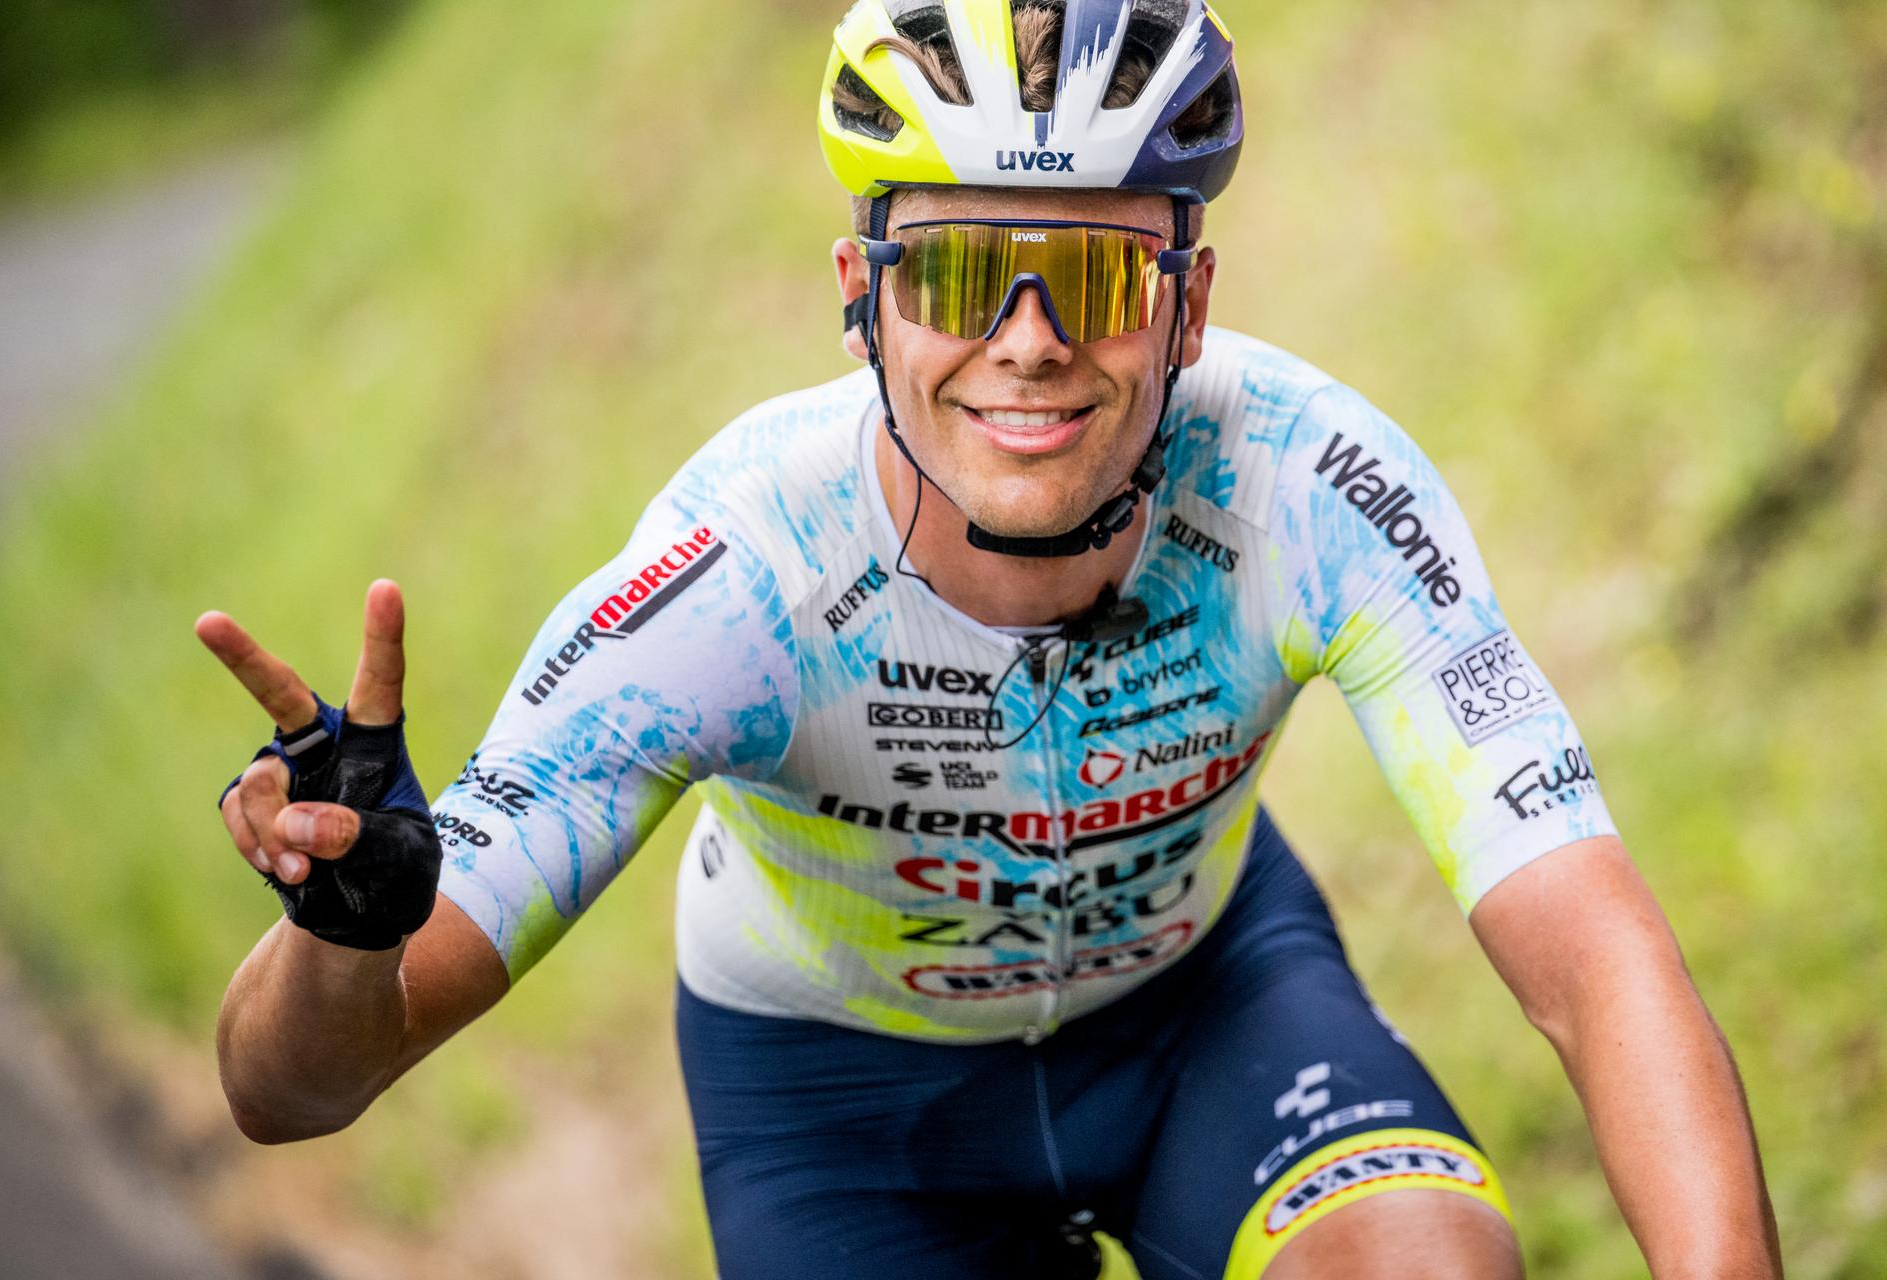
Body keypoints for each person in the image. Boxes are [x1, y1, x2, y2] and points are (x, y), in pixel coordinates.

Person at [197, 2, 1784, 1276]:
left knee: (1430, 1262)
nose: (1026, 341)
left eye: (1093, 271)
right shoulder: (739, 576)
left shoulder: (1312, 486)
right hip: (838, 1100)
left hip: (1200, 1004)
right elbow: (289, 1094)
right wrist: (341, 937)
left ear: (1190, 302)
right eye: (957, 271)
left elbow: (1598, 959)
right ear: (860, 297)